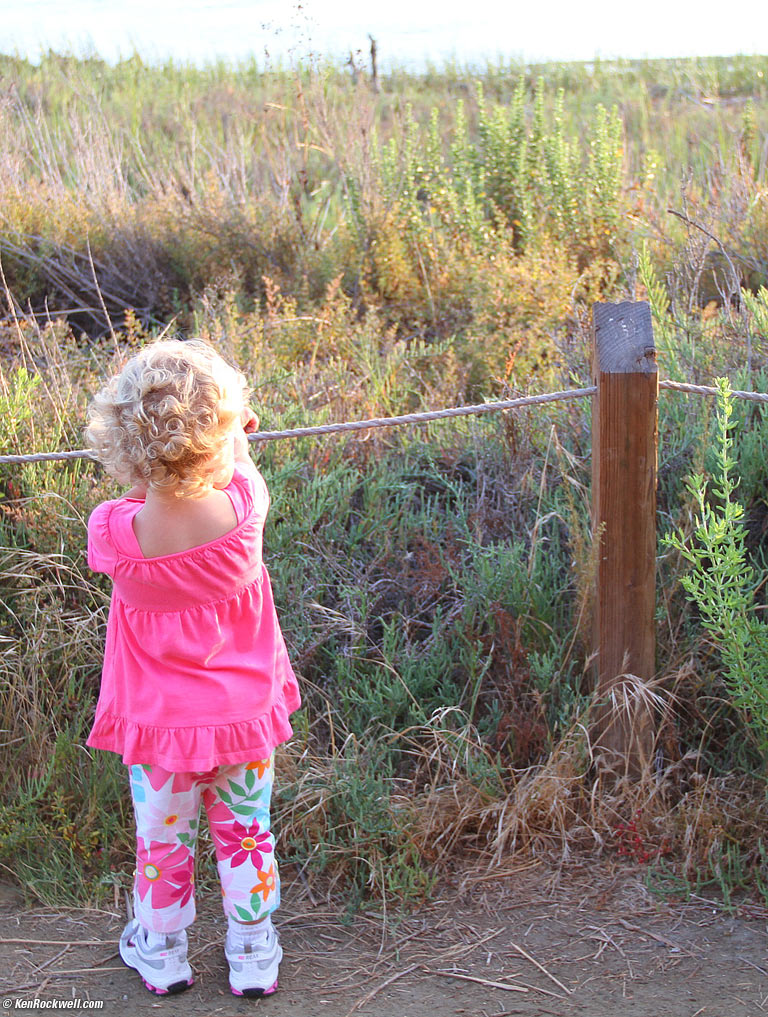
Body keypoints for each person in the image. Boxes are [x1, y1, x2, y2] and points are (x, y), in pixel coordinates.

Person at [85, 338, 301, 997]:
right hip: (241, 722)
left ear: (126, 444)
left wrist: (157, 468)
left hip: (161, 733)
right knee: (245, 831)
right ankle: (253, 947)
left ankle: (163, 946)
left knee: (163, 840)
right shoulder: (245, 513)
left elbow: (134, 497)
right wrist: (233, 434)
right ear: (225, 429)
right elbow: (240, 467)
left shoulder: (115, 531)